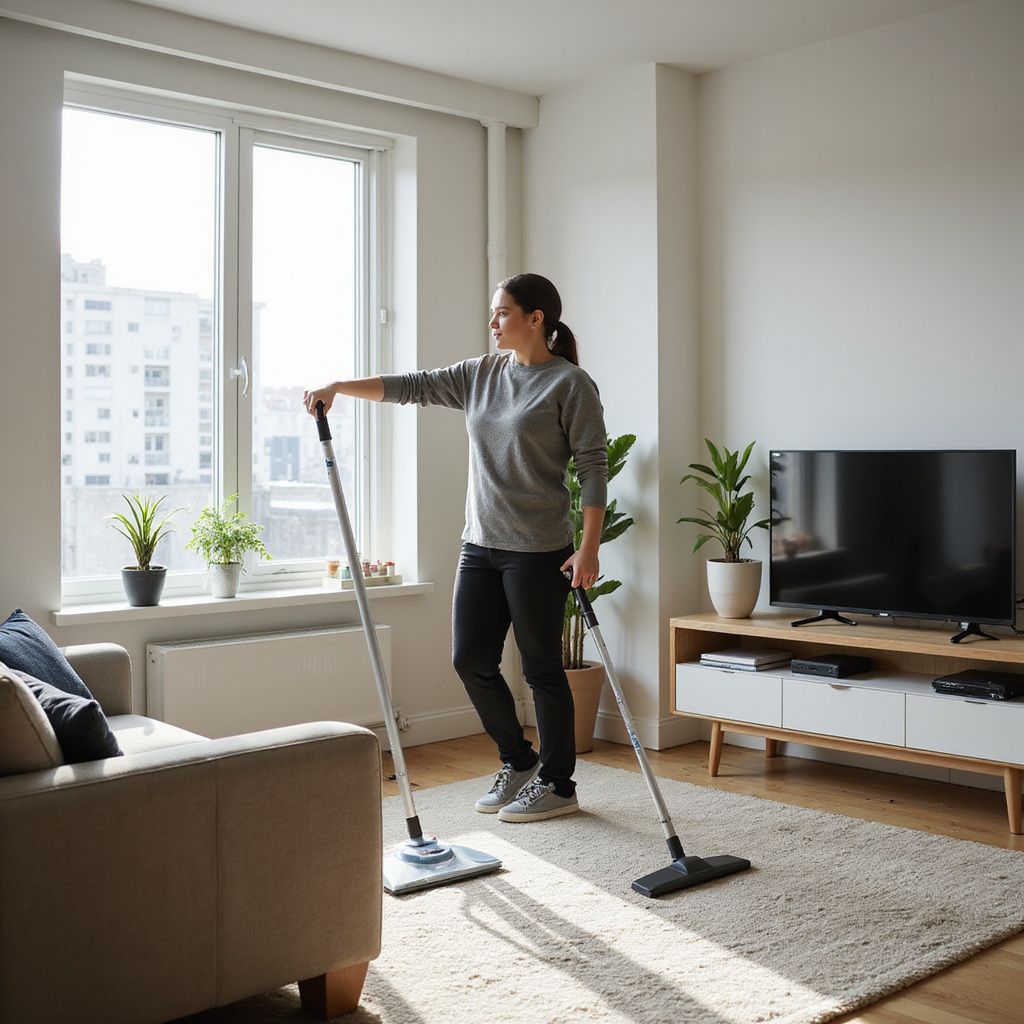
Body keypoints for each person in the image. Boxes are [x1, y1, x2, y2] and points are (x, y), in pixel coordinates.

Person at [303, 273, 608, 822]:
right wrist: (338, 387)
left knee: (541, 668)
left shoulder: (570, 385)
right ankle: (518, 761)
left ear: (535, 318)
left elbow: (592, 470)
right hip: (481, 544)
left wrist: (588, 549)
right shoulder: (480, 374)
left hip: (538, 550)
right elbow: (411, 386)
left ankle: (560, 784)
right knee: (470, 659)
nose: (493, 323)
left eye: (503, 313)